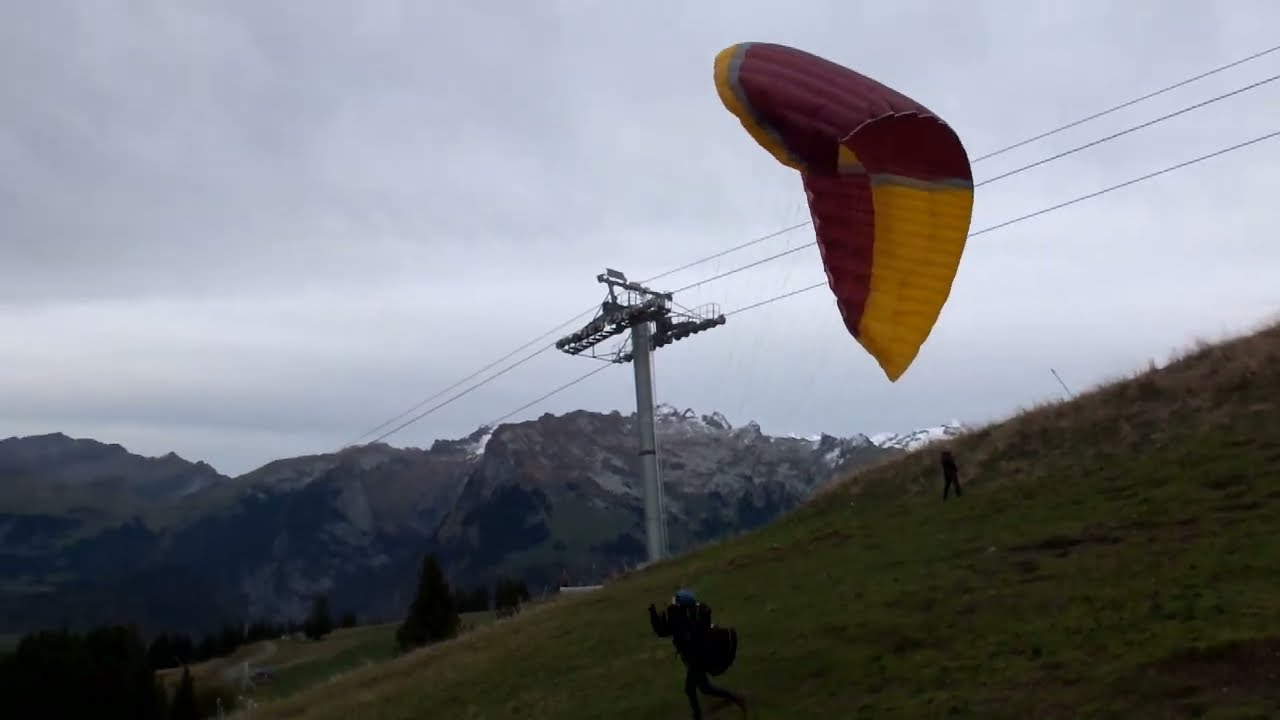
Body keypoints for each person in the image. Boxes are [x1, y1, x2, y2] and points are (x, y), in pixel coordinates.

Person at [648, 589, 746, 719]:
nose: (672, 602)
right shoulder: (683, 618)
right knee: (703, 688)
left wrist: (657, 616)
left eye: (676, 601)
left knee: (694, 689)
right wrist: (653, 614)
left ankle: (729, 700)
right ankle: (733, 698)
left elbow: (665, 631)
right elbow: (663, 630)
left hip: (696, 661)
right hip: (694, 660)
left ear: (682, 605)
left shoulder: (684, 622)